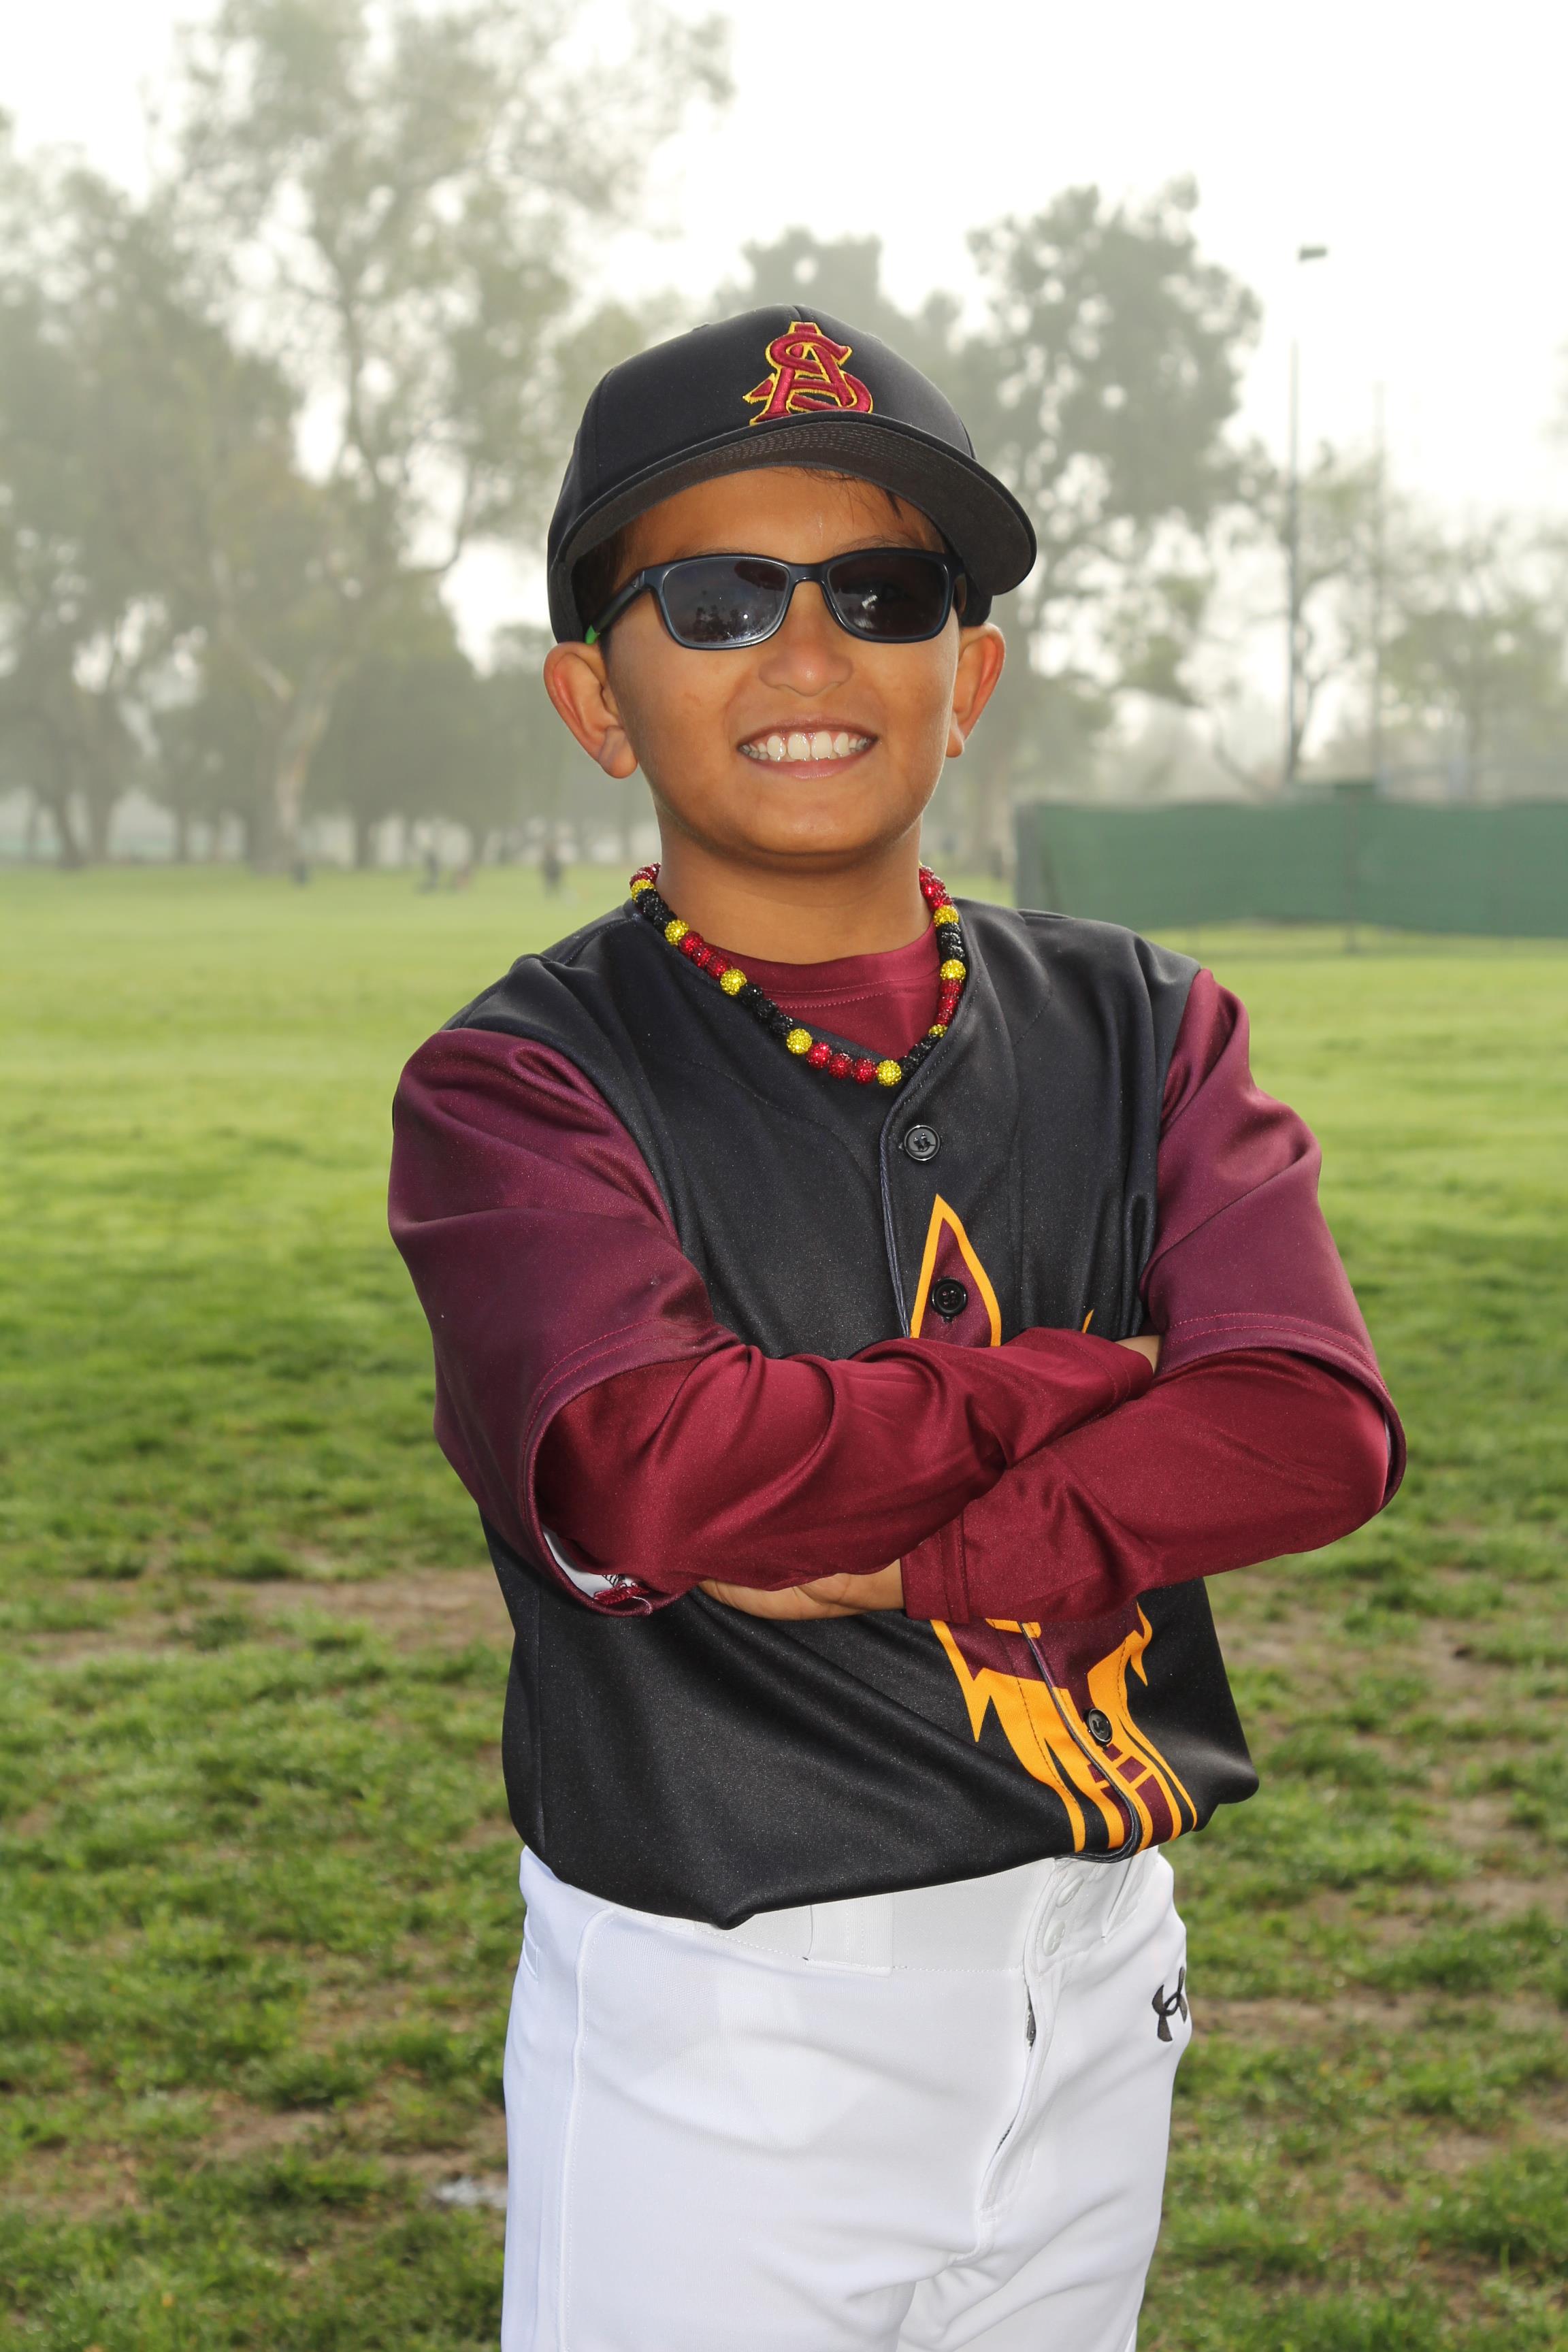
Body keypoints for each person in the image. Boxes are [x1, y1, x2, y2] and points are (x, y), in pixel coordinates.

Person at [389, 309, 1402, 2352]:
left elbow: (1312, 1424)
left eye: (882, 593)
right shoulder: (520, 1083)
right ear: (597, 699)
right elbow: (652, 1468)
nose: (808, 650)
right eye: (716, 597)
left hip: (1102, 1973)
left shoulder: (1147, 1021)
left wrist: (936, 1551)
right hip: (727, 2024)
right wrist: (1095, 1381)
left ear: (970, 680)